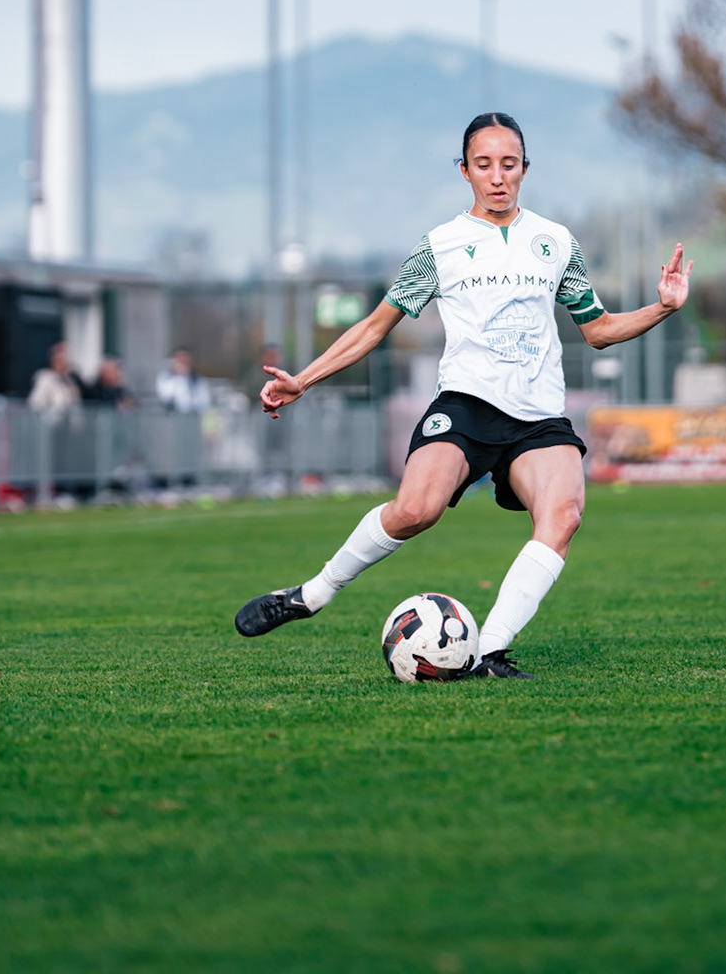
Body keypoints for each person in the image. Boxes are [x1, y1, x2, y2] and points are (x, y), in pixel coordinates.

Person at [235, 113, 694, 679]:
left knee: (564, 515)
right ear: (465, 171)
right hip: (466, 406)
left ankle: (489, 652)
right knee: (414, 511)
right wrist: (303, 379)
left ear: (525, 169)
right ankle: (313, 593)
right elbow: (376, 326)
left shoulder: (556, 242)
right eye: (484, 165)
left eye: (509, 164)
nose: (498, 177)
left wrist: (662, 308)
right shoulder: (440, 246)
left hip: (539, 418)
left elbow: (597, 330)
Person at [28, 342, 83, 422]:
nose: (62, 363)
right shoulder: (45, 378)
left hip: (70, 425)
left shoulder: (71, 380)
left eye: (64, 359)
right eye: (59, 360)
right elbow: (35, 403)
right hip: (52, 424)